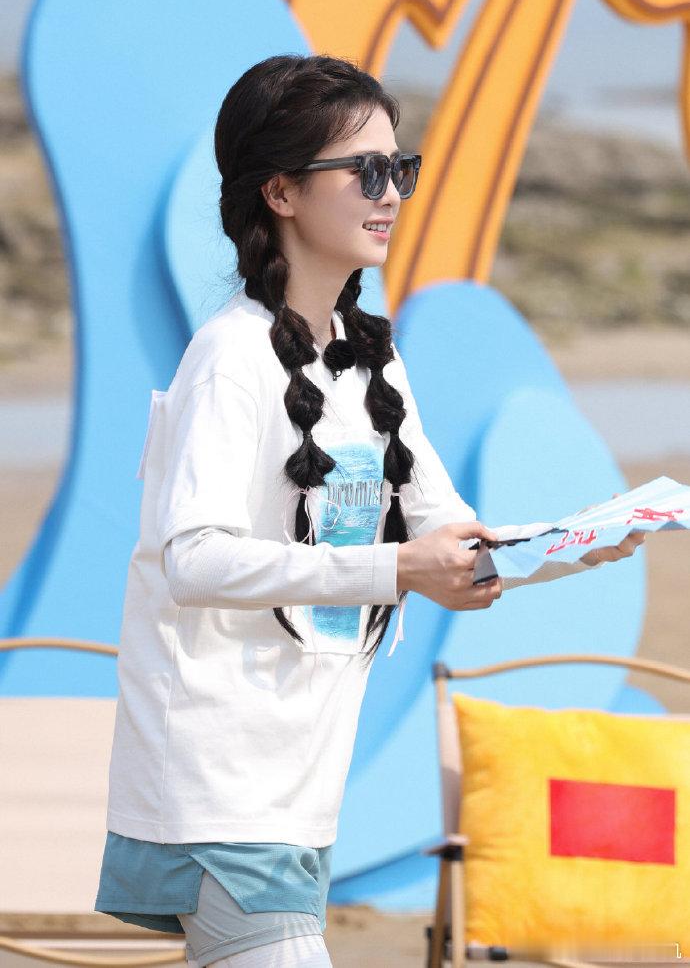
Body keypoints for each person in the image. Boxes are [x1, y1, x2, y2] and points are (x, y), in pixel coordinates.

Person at [94, 53, 645, 968]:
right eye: (365, 170)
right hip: (216, 787)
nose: (390, 193)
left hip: (302, 789)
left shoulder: (370, 357)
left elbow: (449, 538)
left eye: (400, 168)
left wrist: (578, 542)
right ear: (279, 191)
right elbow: (193, 558)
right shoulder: (230, 358)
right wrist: (395, 568)